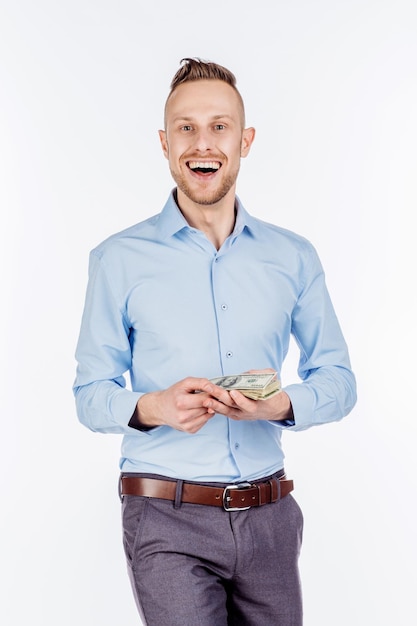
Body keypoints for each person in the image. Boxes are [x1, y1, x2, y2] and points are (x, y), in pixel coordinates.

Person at [73, 58, 357, 626]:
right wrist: (152, 407)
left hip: (270, 515)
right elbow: (89, 394)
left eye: (220, 126)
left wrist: (282, 405)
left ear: (245, 139)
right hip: (165, 515)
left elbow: (339, 381)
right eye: (185, 127)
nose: (203, 142)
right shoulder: (117, 259)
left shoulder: (293, 256)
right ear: (164, 142)